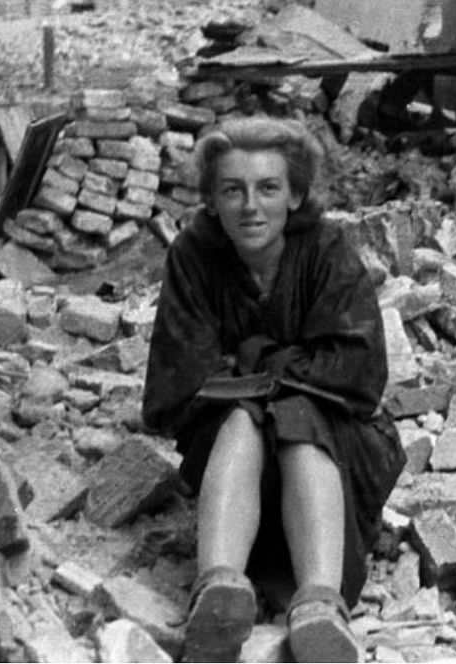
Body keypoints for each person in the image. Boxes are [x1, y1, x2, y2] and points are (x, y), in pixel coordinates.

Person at [142, 116, 406, 663]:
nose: (250, 207)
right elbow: (178, 384)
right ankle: (218, 590)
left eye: (267, 188)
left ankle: (320, 605)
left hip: (336, 449)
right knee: (243, 417)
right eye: (232, 190)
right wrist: (282, 374)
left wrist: (253, 363)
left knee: (297, 419)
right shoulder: (192, 256)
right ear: (211, 200)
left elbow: (357, 370)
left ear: (295, 195)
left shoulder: (326, 250)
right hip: (233, 451)